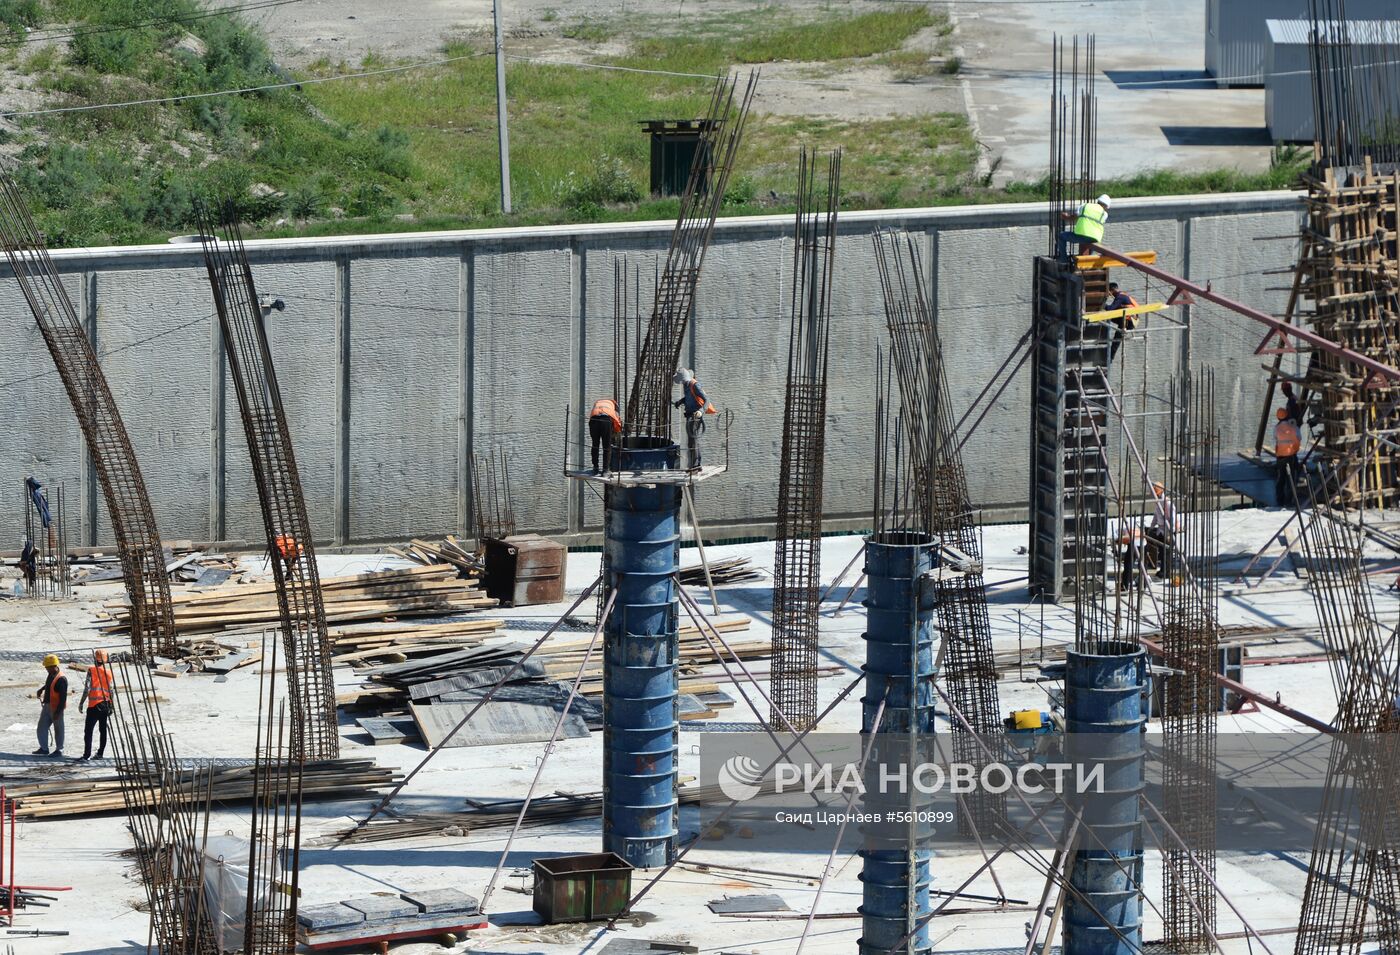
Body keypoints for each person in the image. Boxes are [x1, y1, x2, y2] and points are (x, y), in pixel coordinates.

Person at [673, 369, 714, 469]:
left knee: (694, 440)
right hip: (689, 415)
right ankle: (693, 465)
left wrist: (701, 411)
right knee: (690, 441)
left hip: (695, 416)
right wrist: (680, 401)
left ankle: (696, 465)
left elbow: (706, 399)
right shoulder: (686, 385)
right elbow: (689, 397)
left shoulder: (695, 385)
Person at [79, 648, 114, 761]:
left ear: (95, 659)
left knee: (88, 731)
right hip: (105, 705)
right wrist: (112, 705)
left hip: (93, 705)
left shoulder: (91, 670)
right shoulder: (109, 673)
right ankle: (100, 753)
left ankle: (86, 754)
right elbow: (111, 690)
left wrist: (81, 702)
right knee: (102, 730)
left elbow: (87, 688)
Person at [1057, 194, 1111, 260]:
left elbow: (1074, 217)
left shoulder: (1085, 206)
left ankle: (1063, 259)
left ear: (1098, 201)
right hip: (1094, 240)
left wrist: (1066, 217)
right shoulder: (1104, 214)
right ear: (1106, 206)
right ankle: (1086, 262)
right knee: (1090, 245)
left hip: (1081, 236)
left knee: (1061, 236)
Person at [34, 654, 67, 758]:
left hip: (56, 708)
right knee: (41, 727)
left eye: (47, 667)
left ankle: (59, 750)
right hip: (47, 705)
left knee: (58, 729)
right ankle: (44, 749)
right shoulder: (51, 673)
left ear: (53, 666)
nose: (46, 669)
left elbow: (63, 698)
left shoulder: (61, 679)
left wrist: (58, 712)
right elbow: (49, 684)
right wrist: (42, 689)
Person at [1144, 481, 1177, 577]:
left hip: (1168, 531)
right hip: (1161, 530)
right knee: (1162, 552)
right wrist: (1151, 527)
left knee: (1167, 553)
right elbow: (1156, 515)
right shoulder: (1158, 502)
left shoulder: (1168, 503)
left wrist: (1169, 534)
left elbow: (1173, 520)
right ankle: (1162, 570)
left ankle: (1166, 572)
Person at [1274, 407, 1302, 506]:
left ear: (1278, 417)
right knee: (1291, 478)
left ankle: (1280, 499)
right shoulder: (1294, 427)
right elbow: (1299, 438)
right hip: (1291, 456)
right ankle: (1290, 500)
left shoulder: (1276, 428)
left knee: (1281, 478)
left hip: (1280, 456)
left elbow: (1276, 438)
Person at [1104, 281, 1138, 361]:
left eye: (1109, 292)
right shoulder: (1123, 295)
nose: (1109, 294)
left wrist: (1101, 303)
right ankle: (1110, 356)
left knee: (1117, 338)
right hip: (1129, 320)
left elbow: (1110, 309)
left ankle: (1110, 358)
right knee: (1108, 317)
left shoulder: (1120, 297)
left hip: (1127, 321)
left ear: (1112, 290)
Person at [588, 397, 622, 474]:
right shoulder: (613, 406)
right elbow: (617, 422)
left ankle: (595, 468)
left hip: (593, 421)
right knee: (606, 446)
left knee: (595, 445)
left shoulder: (598, 402)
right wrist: (616, 433)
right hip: (605, 421)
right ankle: (605, 470)